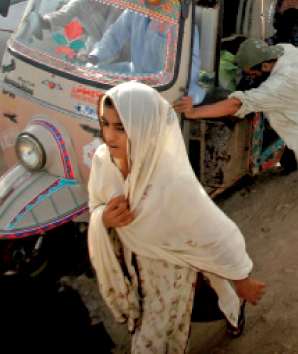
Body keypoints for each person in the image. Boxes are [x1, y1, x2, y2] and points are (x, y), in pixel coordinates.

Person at [88, 82, 266, 351]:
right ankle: (230, 303)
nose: (109, 136)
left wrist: (243, 282)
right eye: (105, 124)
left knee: (154, 337)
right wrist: (104, 219)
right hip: (130, 266)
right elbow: (95, 204)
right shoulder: (104, 161)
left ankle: (234, 302)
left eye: (121, 127)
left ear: (145, 128)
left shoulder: (171, 184)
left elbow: (218, 235)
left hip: (167, 274)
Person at [174, 39, 298, 194]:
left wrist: (194, 112)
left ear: (265, 66)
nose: (250, 78)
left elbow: (235, 104)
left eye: (252, 74)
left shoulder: (276, 86)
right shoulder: (285, 51)